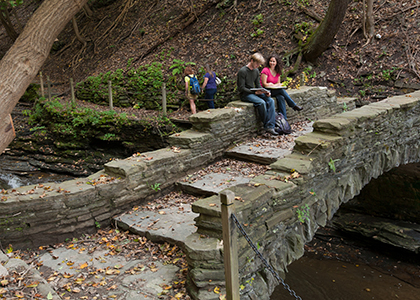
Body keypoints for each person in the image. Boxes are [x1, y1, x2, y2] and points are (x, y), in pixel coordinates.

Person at [237, 53, 278, 136]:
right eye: (257, 63)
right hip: (246, 94)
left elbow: (258, 85)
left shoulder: (256, 71)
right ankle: (267, 126)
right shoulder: (243, 71)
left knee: (270, 100)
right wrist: (254, 92)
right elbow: (241, 88)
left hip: (254, 92)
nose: (258, 66)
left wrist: (265, 91)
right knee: (261, 102)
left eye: (259, 64)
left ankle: (271, 126)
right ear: (252, 61)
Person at [260, 54, 303, 119]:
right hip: (266, 91)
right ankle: (293, 105)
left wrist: (274, 85)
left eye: (273, 61)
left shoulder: (278, 71)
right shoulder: (265, 70)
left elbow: (278, 83)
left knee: (281, 97)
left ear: (277, 62)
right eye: (270, 61)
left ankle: (284, 120)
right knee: (281, 90)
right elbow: (264, 84)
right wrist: (272, 85)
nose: (272, 63)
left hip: (274, 90)